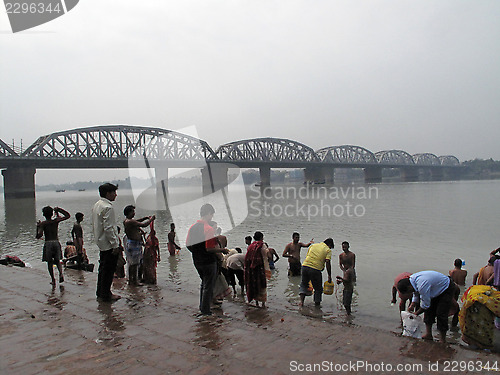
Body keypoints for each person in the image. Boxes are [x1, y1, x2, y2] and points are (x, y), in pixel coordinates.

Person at [186, 203, 228, 316]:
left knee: (204, 284)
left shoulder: (192, 227)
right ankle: (205, 310)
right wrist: (222, 250)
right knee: (208, 286)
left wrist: (196, 253)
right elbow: (209, 249)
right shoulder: (208, 229)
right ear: (209, 213)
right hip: (208, 261)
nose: (212, 218)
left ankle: (202, 307)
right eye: (212, 215)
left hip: (197, 260)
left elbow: (188, 245)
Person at [397, 270, 456, 342]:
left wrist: (416, 314)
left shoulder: (422, 285)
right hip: (434, 288)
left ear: (409, 287)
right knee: (429, 311)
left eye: (408, 292)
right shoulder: (412, 281)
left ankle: (442, 339)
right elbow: (416, 293)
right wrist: (413, 304)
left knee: (441, 313)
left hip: (446, 288)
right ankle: (428, 334)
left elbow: (425, 305)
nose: (410, 293)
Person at [92, 183, 121, 302]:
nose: (116, 195)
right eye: (114, 192)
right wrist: (115, 244)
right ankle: (106, 294)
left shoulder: (97, 205)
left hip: (101, 242)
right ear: (108, 193)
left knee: (102, 269)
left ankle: (100, 292)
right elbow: (109, 228)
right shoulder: (108, 207)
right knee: (109, 270)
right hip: (108, 243)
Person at [36, 206, 70, 285]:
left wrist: (37, 227)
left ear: (44, 214)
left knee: (50, 262)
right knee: (57, 260)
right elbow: (67, 216)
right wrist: (59, 210)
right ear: (52, 214)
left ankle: (53, 279)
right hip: (56, 242)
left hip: (48, 243)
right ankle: (60, 274)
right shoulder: (55, 221)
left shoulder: (43, 224)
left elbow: (39, 236)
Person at [123, 205, 155, 286]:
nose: (134, 213)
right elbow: (143, 225)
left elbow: (137, 221)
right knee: (135, 264)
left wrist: (145, 218)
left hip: (132, 243)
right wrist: (151, 219)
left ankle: (131, 280)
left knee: (132, 264)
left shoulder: (127, 221)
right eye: (133, 211)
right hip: (134, 244)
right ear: (129, 212)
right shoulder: (130, 222)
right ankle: (134, 281)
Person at [299, 238, 334, 307]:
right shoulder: (327, 250)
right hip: (315, 269)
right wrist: (329, 275)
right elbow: (327, 262)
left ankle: (301, 302)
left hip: (305, 266)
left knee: (304, 284)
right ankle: (317, 305)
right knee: (318, 289)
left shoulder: (313, 245)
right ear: (329, 245)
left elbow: (309, 256)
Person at [244, 231, 271, 307]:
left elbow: (247, 258)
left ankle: (256, 303)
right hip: (260, 268)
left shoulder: (251, 246)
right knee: (262, 285)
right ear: (261, 237)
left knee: (253, 284)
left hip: (251, 269)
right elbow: (268, 255)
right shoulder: (262, 245)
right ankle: (263, 304)